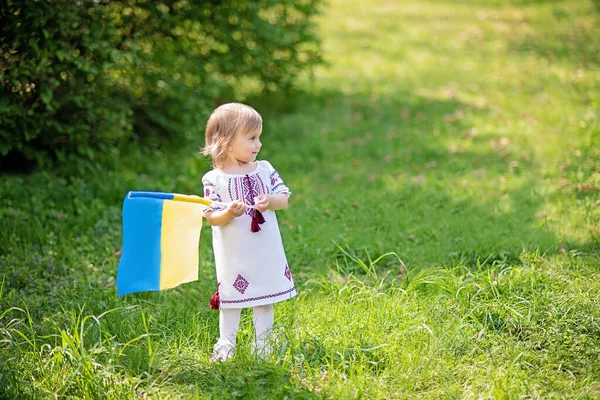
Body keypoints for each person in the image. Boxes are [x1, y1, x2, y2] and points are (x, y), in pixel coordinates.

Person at [200, 102, 296, 361]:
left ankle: (262, 345)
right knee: (231, 298)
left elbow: (283, 198)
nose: (259, 144)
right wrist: (229, 213)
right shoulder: (214, 180)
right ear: (228, 143)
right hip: (234, 254)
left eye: (259, 137)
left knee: (264, 296)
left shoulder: (264, 169)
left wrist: (270, 200)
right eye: (252, 138)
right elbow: (212, 217)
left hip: (264, 248)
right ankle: (226, 345)